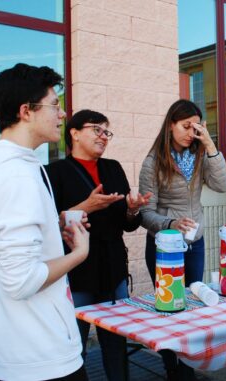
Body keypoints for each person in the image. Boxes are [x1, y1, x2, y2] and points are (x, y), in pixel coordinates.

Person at [0, 63, 90, 381]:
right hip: (39, 355)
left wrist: (48, 231)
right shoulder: (15, 174)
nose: (62, 115)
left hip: (8, 350)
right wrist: (77, 254)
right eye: (55, 105)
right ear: (26, 111)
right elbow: (21, 281)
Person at [46, 110, 151, 380]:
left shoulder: (112, 167)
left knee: (115, 341)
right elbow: (47, 225)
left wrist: (132, 210)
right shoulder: (54, 172)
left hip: (113, 266)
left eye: (107, 132)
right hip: (75, 270)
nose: (104, 137)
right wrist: (86, 206)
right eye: (97, 130)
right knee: (73, 343)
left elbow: (127, 225)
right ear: (74, 133)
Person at [139, 99, 226, 379]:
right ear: (170, 126)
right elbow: (144, 213)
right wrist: (170, 224)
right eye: (185, 126)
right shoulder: (153, 161)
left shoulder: (201, 155)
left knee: (192, 303)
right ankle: (172, 369)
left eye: (196, 126)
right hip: (166, 246)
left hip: (195, 241)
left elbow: (223, 185)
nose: (191, 132)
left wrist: (211, 146)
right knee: (169, 307)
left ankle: (189, 366)